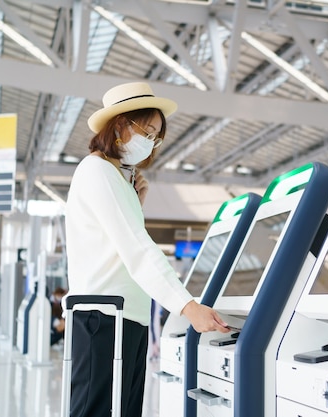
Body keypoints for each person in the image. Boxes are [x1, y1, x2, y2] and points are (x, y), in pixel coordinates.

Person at [63, 81, 229, 417]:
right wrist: (188, 306)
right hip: (105, 320)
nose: (151, 142)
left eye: (156, 136)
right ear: (120, 124)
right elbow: (138, 249)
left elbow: (118, 240)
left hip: (126, 319)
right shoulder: (97, 171)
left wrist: (135, 202)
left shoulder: (116, 178)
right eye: (147, 130)